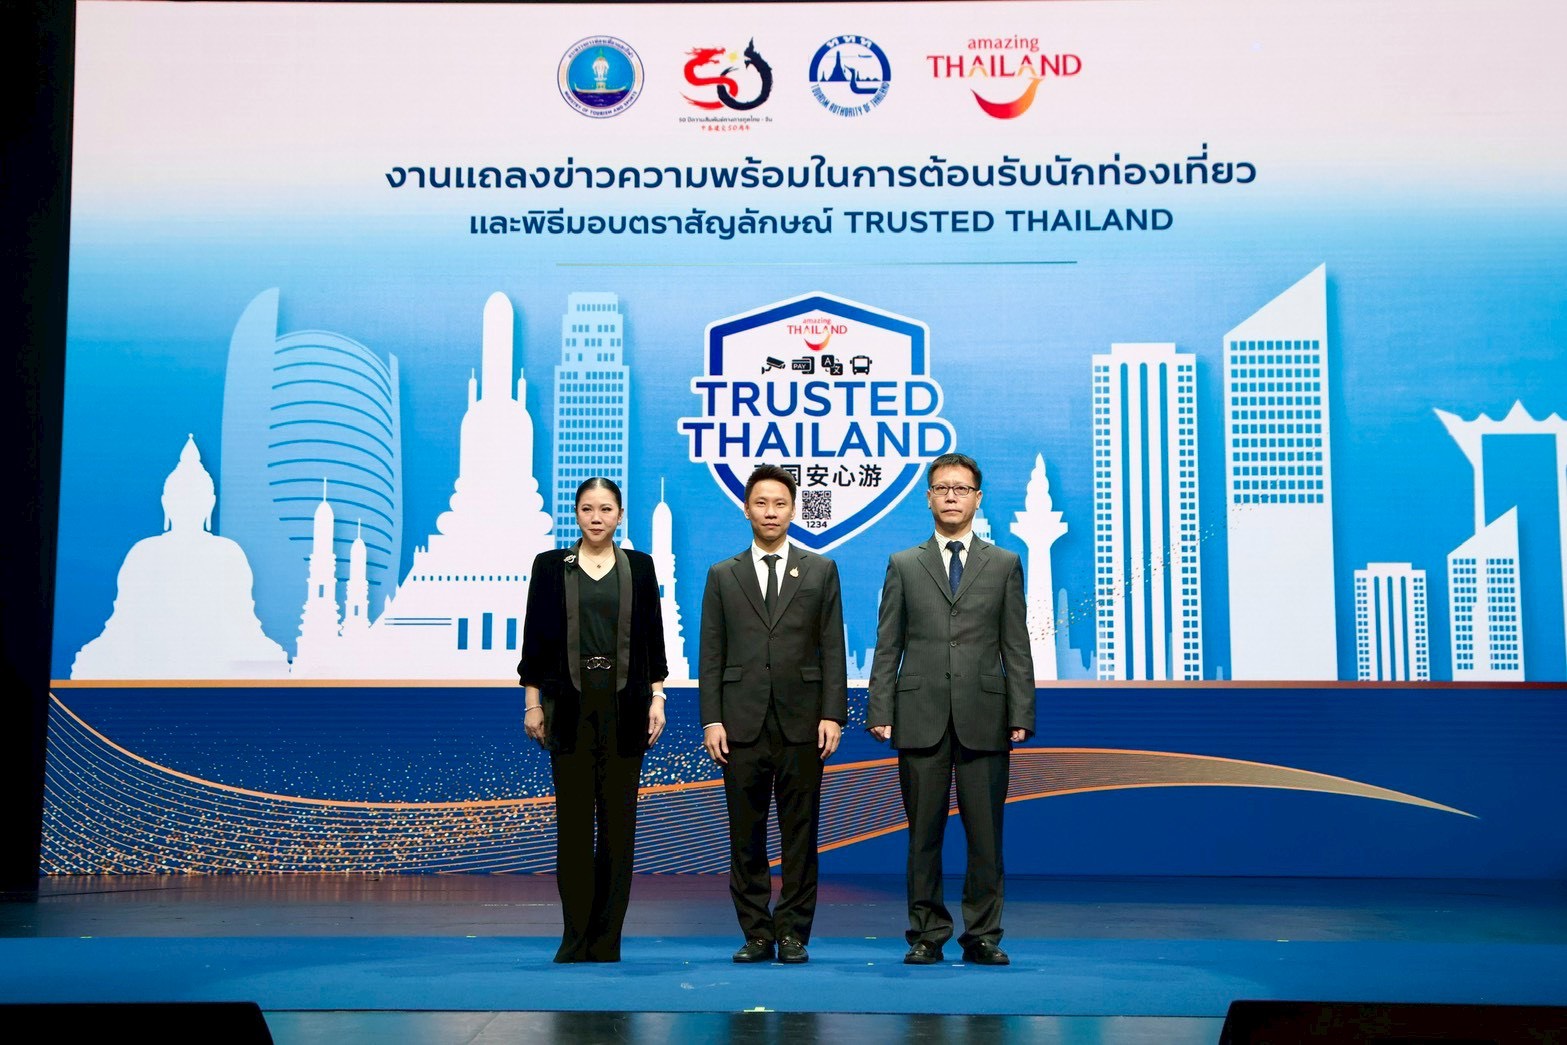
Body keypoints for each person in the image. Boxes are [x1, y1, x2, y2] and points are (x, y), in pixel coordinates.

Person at [867, 453, 1035, 967]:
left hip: (985, 716)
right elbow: (888, 643)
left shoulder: (1004, 564)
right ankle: (926, 933)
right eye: (942, 488)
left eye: (961, 489)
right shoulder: (904, 563)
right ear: (928, 498)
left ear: (977, 498)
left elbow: (1016, 644)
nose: (951, 497)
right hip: (919, 716)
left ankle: (983, 935)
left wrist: (1021, 712)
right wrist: (880, 707)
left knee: (986, 836)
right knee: (923, 836)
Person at [700, 464, 847, 964]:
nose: (770, 512)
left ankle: (793, 933)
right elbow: (711, 653)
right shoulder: (723, 574)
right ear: (746, 509)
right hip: (739, 723)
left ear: (793, 510)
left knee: (801, 834)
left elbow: (832, 647)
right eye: (761, 503)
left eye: (780, 503)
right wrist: (712, 719)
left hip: (803, 723)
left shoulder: (820, 570)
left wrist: (833, 714)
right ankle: (757, 933)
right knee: (745, 835)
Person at [518, 477, 668, 963]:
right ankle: (575, 937)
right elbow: (535, 641)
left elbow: (653, 640)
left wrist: (658, 697)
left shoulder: (639, 567)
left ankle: (607, 940)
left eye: (606, 509)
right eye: (587, 508)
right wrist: (533, 703)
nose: (597, 517)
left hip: (627, 708)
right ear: (576, 514)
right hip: (567, 709)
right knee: (574, 826)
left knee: (619, 827)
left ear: (620, 515)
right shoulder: (550, 566)